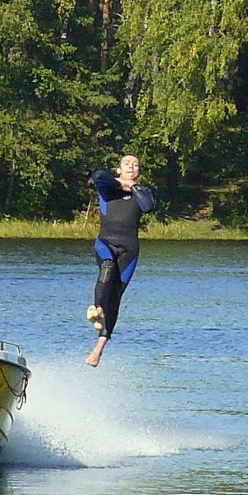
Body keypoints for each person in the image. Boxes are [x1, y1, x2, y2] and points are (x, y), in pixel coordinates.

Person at [85, 154, 155, 367]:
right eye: (127, 164)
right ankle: (96, 310)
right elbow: (97, 176)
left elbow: (148, 205)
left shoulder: (141, 193)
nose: (131, 167)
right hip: (106, 242)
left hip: (129, 250)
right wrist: (120, 183)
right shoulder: (108, 188)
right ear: (119, 169)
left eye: (135, 165)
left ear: (139, 171)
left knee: (116, 296)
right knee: (106, 267)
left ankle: (98, 349)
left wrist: (132, 188)